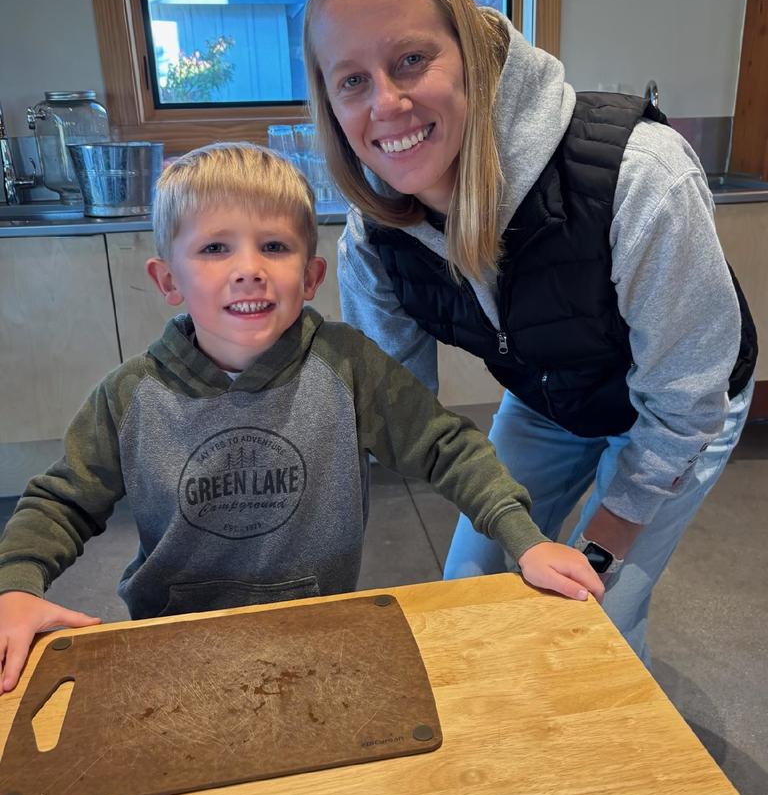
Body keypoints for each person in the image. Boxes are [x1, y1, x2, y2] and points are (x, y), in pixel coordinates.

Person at [0, 142, 603, 693]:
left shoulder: (349, 367)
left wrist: (526, 541)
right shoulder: (128, 398)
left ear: (311, 277)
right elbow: (61, 502)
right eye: (215, 247)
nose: (248, 268)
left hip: (320, 633)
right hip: (173, 646)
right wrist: (16, 587)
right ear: (168, 280)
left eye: (275, 246)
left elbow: (449, 447)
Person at [302, 0, 757, 664]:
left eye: (412, 60)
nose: (387, 103)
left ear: (472, 55)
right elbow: (395, 412)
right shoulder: (375, 237)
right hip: (548, 398)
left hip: (677, 409)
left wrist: (599, 551)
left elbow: (683, 403)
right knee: (473, 588)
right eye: (351, 80)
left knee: (592, 618)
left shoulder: (639, 177)